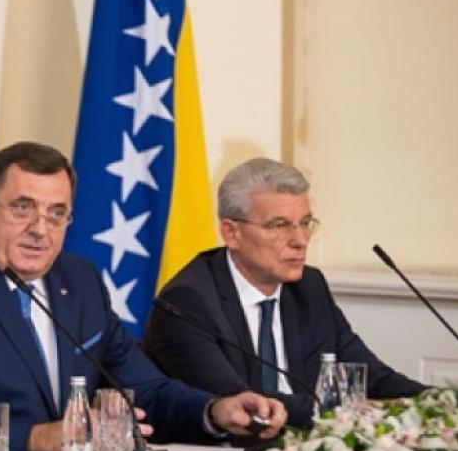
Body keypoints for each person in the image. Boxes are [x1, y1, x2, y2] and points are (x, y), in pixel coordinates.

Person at [0, 142, 286, 451]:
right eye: (22, 208)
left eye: (57, 214)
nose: (40, 229)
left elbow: (144, 390)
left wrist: (215, 410)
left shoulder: (80, 280)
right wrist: (45, 438)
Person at [144, 157, 426, 428]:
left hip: (308, 442)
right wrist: (354, 411)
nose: (300, 240)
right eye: (279, 225)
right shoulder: (186, 302)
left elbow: (372, 376)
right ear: (231, 233)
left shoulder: (308, 286)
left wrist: (436, 402)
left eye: (305, 223)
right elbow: (243, 403)